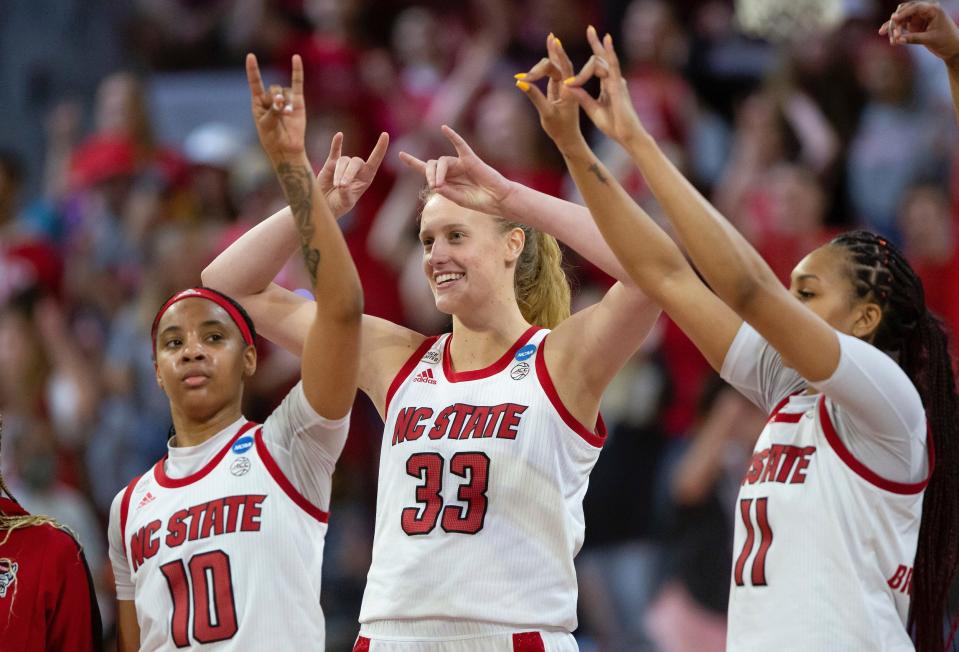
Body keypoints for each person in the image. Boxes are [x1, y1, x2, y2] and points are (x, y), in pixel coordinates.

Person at [514, 27, 958, 651]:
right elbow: (665, 274)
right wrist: (574, 146)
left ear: (864, 321)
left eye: (807, 293)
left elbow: (750, 291)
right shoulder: (787, 387)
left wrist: (640, 140)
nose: (788, 303)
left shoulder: (888, 401)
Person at [202, 69, 662, 652]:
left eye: (456, 236)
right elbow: (228, 286)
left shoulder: (559, 361)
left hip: (510, 635)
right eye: (427, 240)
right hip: (393, 636)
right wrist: (317, 203)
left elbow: (651, 276)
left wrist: (514, 198)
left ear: (511, 244)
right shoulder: (396, 359)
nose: (436, 255)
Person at [108, 53, 363, 651]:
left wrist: (299, 179)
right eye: (174, 342)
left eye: (214, 336)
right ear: (157, 371)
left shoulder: (291, 443)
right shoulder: (127, 507)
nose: (192, 350)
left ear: (250, 359)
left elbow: (342, 312)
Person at [0, 417, 103, 652]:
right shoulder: (12, 499)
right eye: (34, 451)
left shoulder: (73, 506)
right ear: (16, 455)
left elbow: (98, 571)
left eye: (45, 451)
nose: (40, 459)